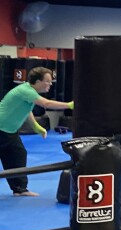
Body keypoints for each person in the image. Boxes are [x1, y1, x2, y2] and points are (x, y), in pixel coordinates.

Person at [0, 67, 74, 196]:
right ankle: (19, 188)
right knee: (15, 155)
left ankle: (20, 189)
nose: (51, 84)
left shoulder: (29, 92)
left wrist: (35, 126)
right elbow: (47, 104)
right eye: (48, 81)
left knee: (17, 154)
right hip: (2, 129)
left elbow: (27, 110)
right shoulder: (26, 90)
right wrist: (69, 105)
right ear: (38, 81)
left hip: (8, 130)